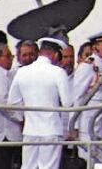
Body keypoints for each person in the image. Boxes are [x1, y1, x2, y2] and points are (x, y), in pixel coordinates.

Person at [8, 38, 73, 169]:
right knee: (48, 167)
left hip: (30, 130)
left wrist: (22, 119)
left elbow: (12, 102)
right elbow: (67, 103)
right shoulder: (58, 72)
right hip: (51, 129)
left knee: (28, 166)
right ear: (56, 54)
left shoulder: (22, 72)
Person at [71, 28, 102, 165]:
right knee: (89, 161)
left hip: (101, 124)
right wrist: (73, 126)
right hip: (87, 124)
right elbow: (77, 97)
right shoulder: (87, 66)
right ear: (95, 47)